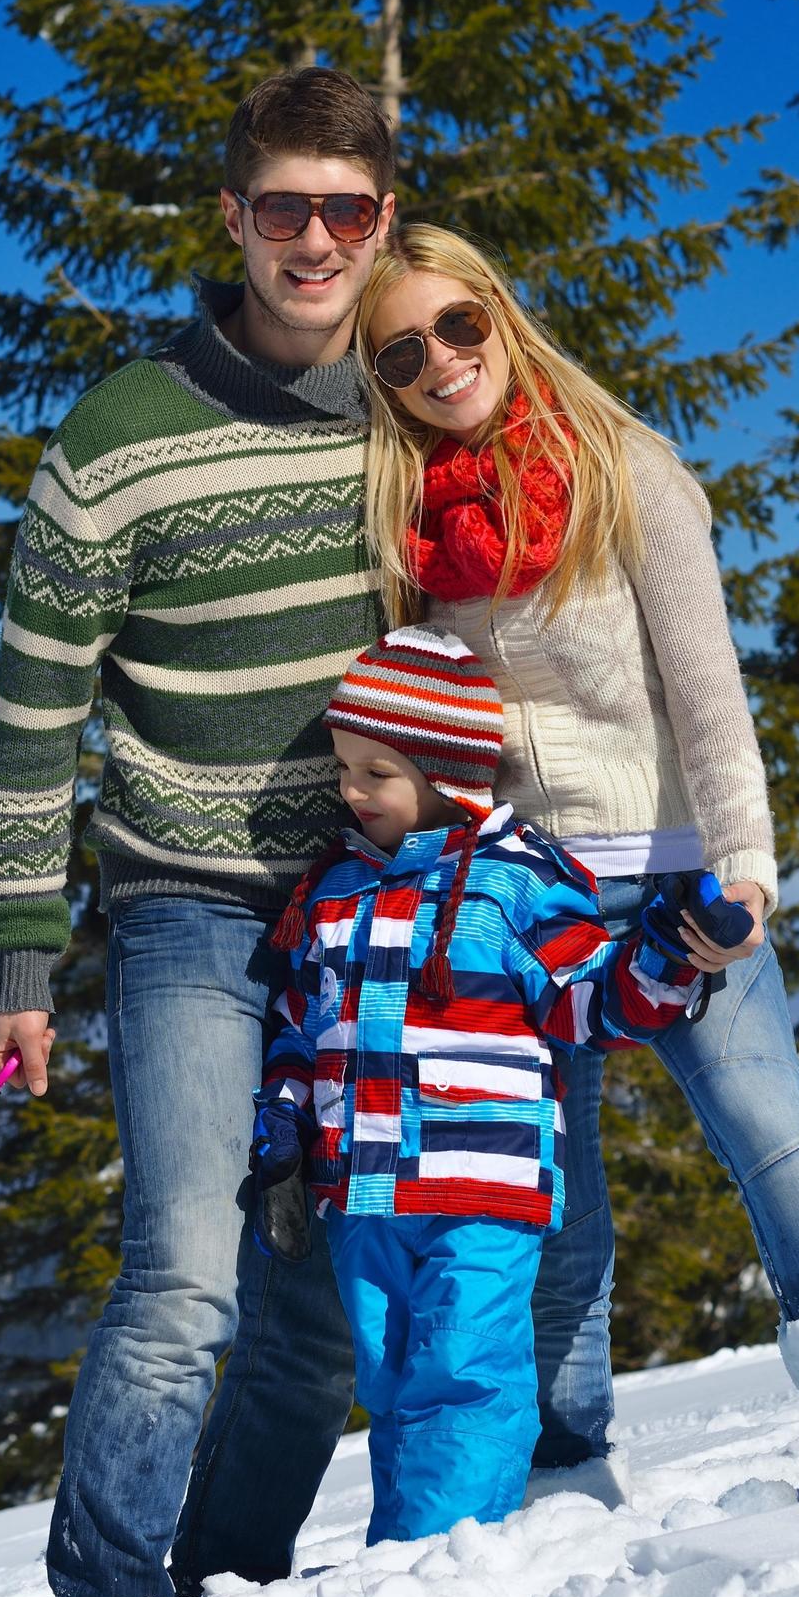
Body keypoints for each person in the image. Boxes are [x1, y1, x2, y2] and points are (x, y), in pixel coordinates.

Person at [346, 222, 799, 1493]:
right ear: (380, 383)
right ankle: (567, 1475)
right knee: (554, 1199)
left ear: (500, 314)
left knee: (774, 1136)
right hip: (522, 902)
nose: (439, 361)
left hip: (674, 882)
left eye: (457, 326)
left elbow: (710, 698)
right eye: (400, 352)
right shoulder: (408, 526)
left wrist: (748, 872)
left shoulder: (628, 474)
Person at [0, 67, 396, 1597]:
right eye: (282, 207)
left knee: (317, 1318)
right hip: (186, 909)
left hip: (372, 920)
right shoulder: (118, 437)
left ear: (380, 224)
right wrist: (21, 964)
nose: (313, 240)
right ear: (234, 219)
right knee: (182, 1285)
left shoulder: (409, 411)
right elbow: (32, 716)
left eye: (343, 212)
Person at [252, 626, 711, 1543]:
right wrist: (284, 1127)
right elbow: (302, 1024)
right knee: (386, 1375)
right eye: (345, 767)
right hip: (363, 1191)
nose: (349, 790)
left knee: (462, 1366)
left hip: (481, 1186)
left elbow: (587, 1006)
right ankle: (417, 1548)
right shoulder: (336, 889)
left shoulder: (517, 881)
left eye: (375, 771)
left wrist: (664, 954)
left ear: (445, 770)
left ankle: (436, 1558)